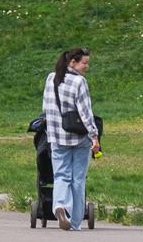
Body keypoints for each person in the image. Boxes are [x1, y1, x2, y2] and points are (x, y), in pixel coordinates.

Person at [43, 47, 101, 230]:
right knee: (78, 179)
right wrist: (94, 137)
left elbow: (46, 107)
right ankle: (75, 223)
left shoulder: (51, 78)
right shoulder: (79, 82)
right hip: (78, 138)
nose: (87, 66)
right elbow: (85, 112)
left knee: (61, 175)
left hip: (56, 136)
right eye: (84, 62)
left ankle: (60, 205)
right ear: (73, 62)